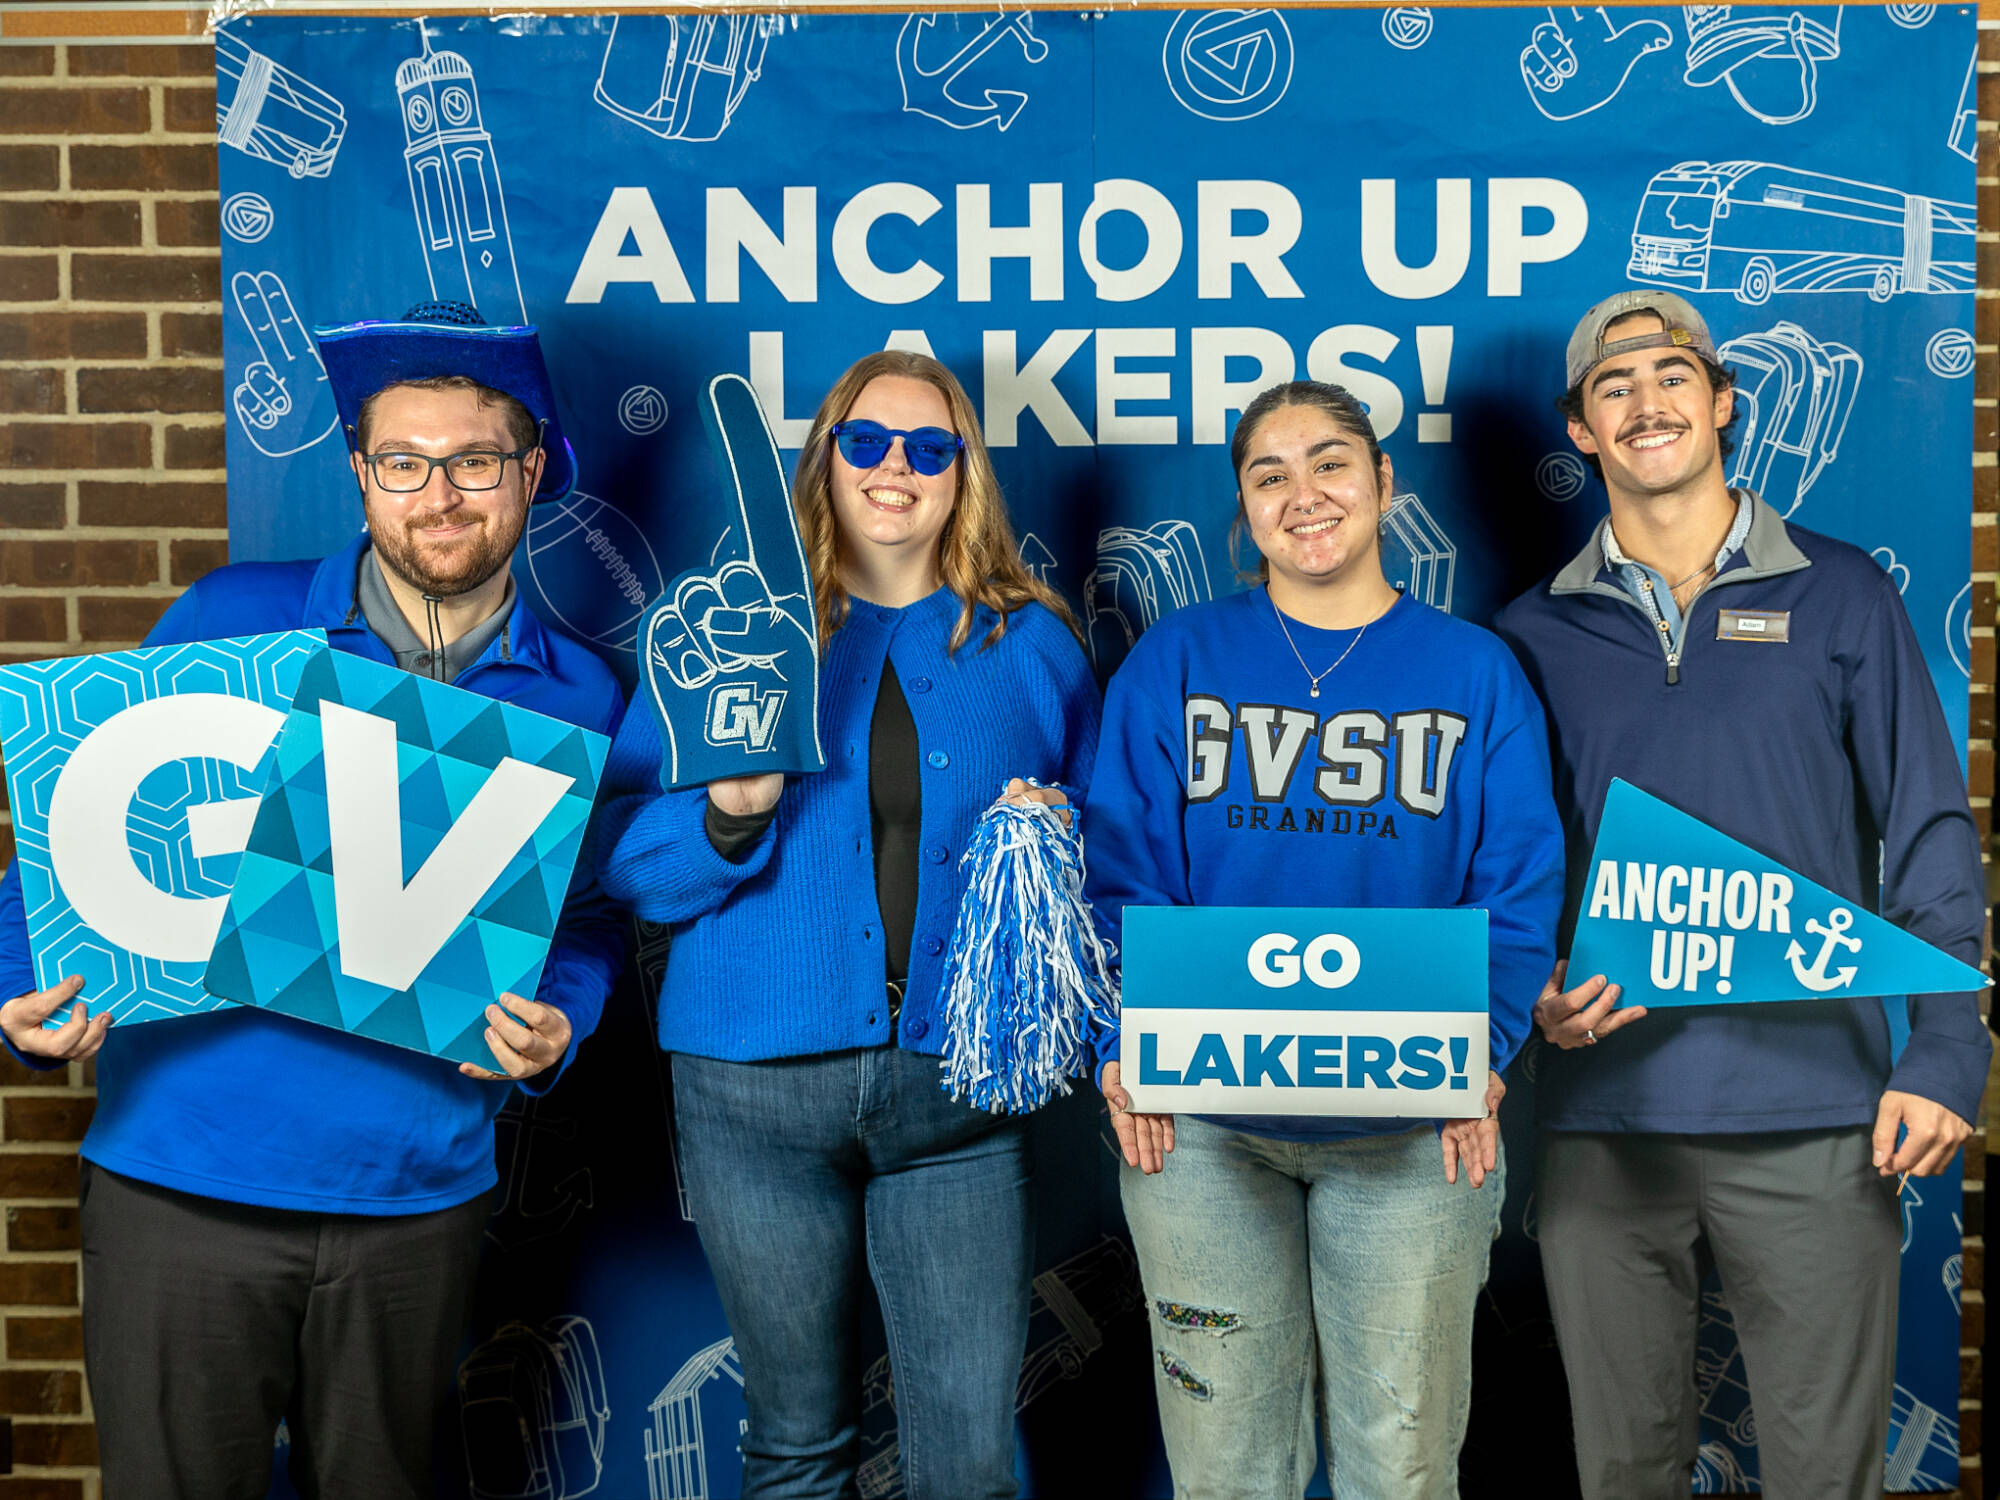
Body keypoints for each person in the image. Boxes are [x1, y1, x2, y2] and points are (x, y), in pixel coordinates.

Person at [0, 301, 626, 1500]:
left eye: (475, 462)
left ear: (531, 472)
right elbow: (68, 847)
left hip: (417, 1196)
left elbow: (587, 920)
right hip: (182, 1178)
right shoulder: (231, 620)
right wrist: (19, 996)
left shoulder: (583, 695)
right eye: (403, 462)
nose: (438, 494)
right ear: (359, 474)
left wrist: (561, 1022)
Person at [1493, 290, 1991, 1500]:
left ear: (1720, 401)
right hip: (1600, 1125)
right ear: (1580, 431)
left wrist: (1942, 1052)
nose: (1644, 402)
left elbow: (1925, 825)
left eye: (1671, 376)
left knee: (1827, 1479)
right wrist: (1532, 997)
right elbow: (1504, 871)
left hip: (1817, 1113)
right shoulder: (1524, 633)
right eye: (1611, 387)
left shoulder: (1843, 595)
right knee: (1623, 1475)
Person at [595, 349, 1098, 1499]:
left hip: (953, 1099)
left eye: (929, 448)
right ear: (825, 458)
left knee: (967, 1464)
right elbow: (623, 863)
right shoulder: (717, 632)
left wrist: (1050, 833)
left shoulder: (1031, 645)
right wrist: (727, 815)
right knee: (794, 1445)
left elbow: (1099, 867)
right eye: (866, 442)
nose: (894, 469)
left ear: (962, 473)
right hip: (749, 1093)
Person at [1084, 379, 1566, 1499]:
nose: (1303, 494)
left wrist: (1479, 1058)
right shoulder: (1176, 659)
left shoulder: (1473, 670)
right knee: (1222, 1468)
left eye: (1330, 463)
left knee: (1398, 1467)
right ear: (1243, 510)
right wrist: (1128, 1041)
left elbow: (1516, 885)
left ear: (1384, 484)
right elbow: (1122, 872)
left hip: (1410, 1125)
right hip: (1199, 1129)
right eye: (1269, 475)